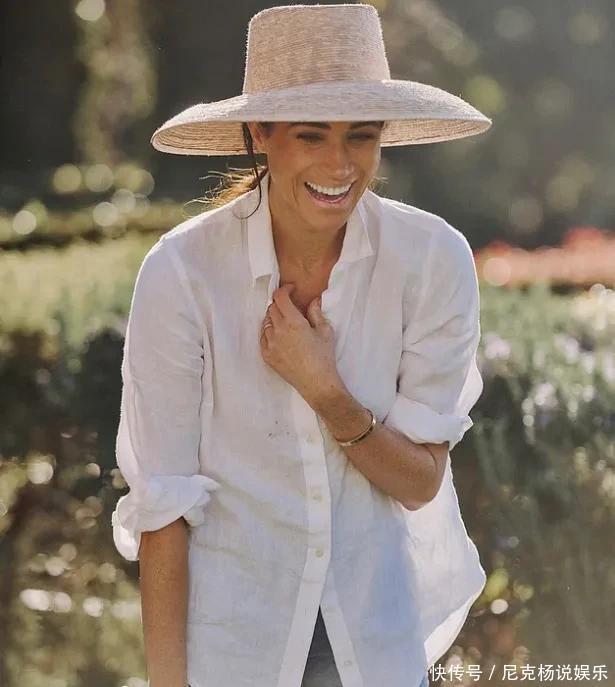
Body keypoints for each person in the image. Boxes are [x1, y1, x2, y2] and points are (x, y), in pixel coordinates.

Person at [110, 4, 492, 687]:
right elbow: (163, 508)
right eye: (310, 135)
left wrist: (326, 391)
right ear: (260, 133)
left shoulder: (433, 260)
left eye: (360, 137)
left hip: (374, 646)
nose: (338, 164)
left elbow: (419, 482)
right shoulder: (182, 272)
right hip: (233, 650)